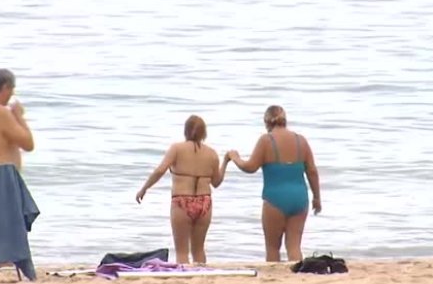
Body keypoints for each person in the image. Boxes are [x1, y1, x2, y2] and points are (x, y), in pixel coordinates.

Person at [227, 105, 321, 262]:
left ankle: (273, 280)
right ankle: (297, 277)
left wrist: (235, 157)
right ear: (285, 120)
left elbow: (250, 167)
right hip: (299, 197)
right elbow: (312, 172)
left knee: (272, 248)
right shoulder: (301, 141)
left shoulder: (266, 140)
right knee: (294, 246)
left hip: (275, 198)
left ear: (266, 123)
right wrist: (317, 197)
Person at [136, 115, 229, 264]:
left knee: (182, 251)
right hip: (205, 202)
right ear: (204, 133)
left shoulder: (177, 149)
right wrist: (225, 162)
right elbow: (216, 183)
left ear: (185, 131)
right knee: (199, 250)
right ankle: (202, 276)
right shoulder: (211, 153)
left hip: (182, 201)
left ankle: (185, 278)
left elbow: (160, 170)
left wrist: (144, 188)